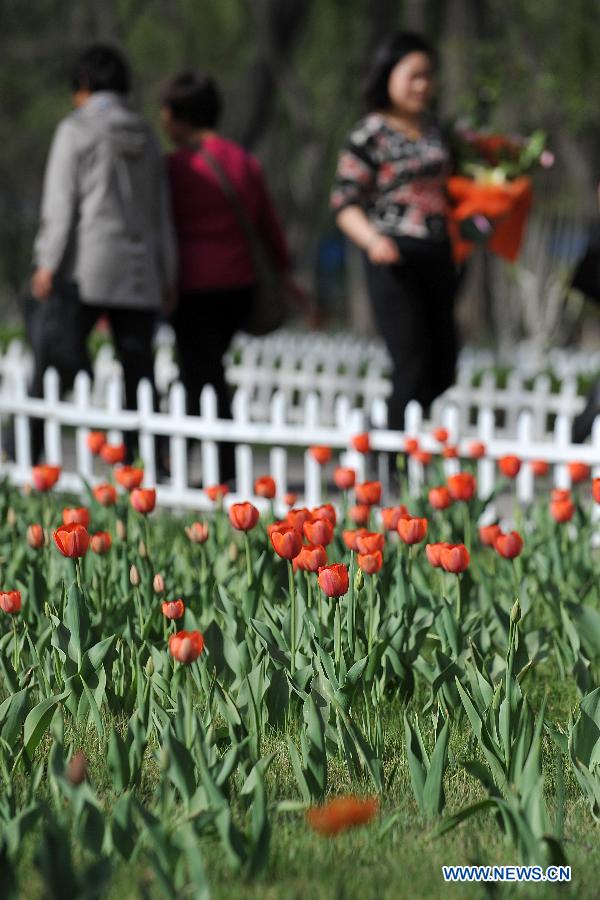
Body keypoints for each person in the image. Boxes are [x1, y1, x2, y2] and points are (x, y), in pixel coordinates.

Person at [31, 43, 175, 464]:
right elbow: (161, 212)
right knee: (139, 370)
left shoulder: (76, 130)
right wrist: (168, 274)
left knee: (54, 359)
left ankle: (26, 447)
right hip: (139, 270)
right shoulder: (147, 136)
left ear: (85, 86)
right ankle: (147, 458)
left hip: (87, 267)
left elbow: (61, 205)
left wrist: (47, 261)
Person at [160, 70, 296, 484]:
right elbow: (268, 224)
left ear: (177, 116)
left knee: (201, 374)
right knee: (204, 369)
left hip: (193, 287)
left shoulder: (174, 168)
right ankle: (193, 457)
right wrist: (285, 270)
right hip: (239, 284)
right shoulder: (243, 161)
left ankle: (212, 464)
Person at [331, 32, 458, 433]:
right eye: (413, 75)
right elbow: (344, 201)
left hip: (438, 252)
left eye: (429, 76)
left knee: (444, 365)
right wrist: (373, 241)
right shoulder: (370, 133)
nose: (423, 85)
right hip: (393, 254)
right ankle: (390, 451)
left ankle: (388, 423)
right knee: (411, 358)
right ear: (388, 75)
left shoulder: (437, 130)